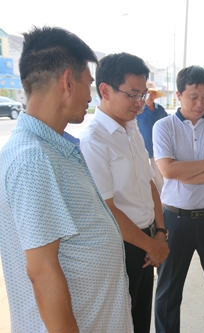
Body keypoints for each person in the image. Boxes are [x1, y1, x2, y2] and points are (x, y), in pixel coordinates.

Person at [0, 26, 133, 332]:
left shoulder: (52, 148)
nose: (90, 95)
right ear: (67, 83)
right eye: (88, 84)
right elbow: (43, 271)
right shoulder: (34, 159)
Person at [78, 53, 170, 333]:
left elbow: (150, 183)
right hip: (123, 248)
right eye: (132, 95)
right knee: (120, 324)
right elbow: (107, 209)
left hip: (148, 239)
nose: (140, 104)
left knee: (141, 321)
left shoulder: (132, 129)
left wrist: (160, 233)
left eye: (142, 95)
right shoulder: (94, 140)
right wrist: (151, 245)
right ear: (105, 90)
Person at [153, 65, 204, 333]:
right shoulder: (163, 127)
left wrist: (187, 172)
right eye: (193, 96)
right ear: (178, 95)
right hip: (175, 220)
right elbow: (168, 170)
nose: (200, 103)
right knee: (168, 290)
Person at [137, 81, 168, 192]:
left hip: (160, 150)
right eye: (148, 93)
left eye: (153, 93)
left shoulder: (160, 110)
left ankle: (162, 204)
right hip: (143, 151)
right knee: (148, 180)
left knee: (161, 179)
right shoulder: (138, 111)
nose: (150, 96)